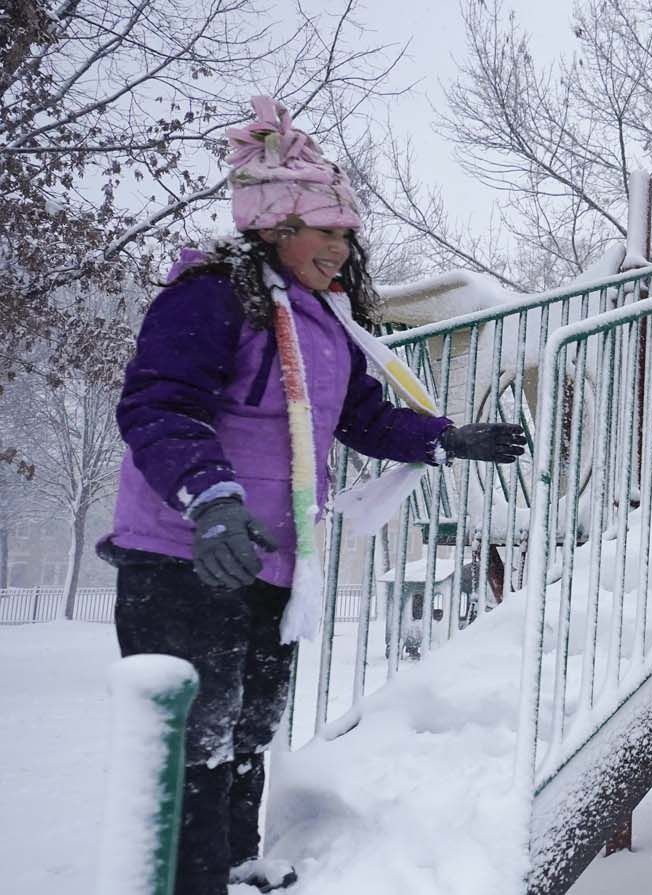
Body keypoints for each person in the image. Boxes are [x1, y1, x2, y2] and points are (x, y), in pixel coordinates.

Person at [97, 97, 527, 894]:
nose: (343, 245)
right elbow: (159, 405)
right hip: (188, 554)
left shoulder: (321, 323)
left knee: (249, 727)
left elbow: (359, 413)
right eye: (327, 229)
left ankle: (233, 866)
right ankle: (185, 884)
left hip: (274, 562)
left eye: (346, 231)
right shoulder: (212, 294)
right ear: (274, 226)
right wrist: (211, 496)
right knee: (199, 735)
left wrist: (442, 437)